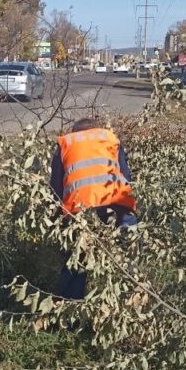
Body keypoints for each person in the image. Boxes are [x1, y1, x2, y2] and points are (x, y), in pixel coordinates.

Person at [50, 117, 137, 299]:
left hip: (80, 208)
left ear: (75, 132)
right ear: (95, 129)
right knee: (129, 254)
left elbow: (56, 189)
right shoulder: (110, 138)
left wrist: (57, 219)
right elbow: (126, 176)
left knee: (76, 260)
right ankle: (132, 299)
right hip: (117, 203)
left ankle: (70, 305)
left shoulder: (66, 144)